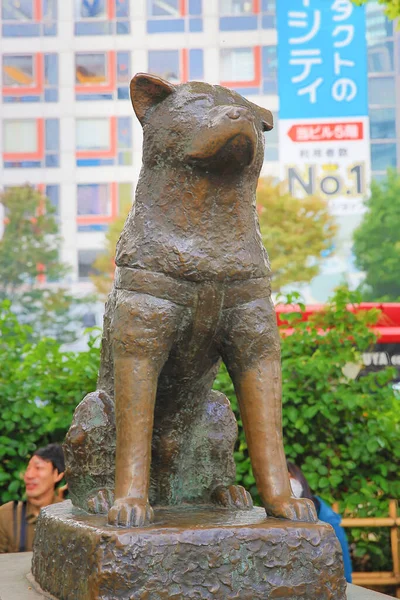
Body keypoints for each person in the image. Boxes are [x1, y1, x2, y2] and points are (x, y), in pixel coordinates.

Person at [287, 461, 353, 583]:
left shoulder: (327, 519)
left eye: (290, 477)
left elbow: (344, 571)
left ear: (300, 480)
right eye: (283, 480)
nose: (289, 483)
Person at [0, 443, 65, 553]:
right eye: (28, 468)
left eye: (38, 468)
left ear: (57, 475)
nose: (29, 475)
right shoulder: (7, 515)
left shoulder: (70, 517)